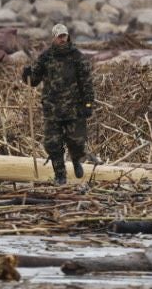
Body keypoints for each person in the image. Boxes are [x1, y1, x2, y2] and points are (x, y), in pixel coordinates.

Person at [21, 23, 96, 184]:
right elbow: (34, 80)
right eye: (59, 36)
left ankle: (76, 160)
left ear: (68, 36)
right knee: (52, 144)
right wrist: (26, 74)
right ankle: (60, 175)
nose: (62, 39)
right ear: (54, 38)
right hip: (52, 109)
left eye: (64, 36)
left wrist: (88, 104)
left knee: (77, 142)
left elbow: (86, 82)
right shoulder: (46, 57)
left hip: (74, 109)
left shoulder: (77, 56)